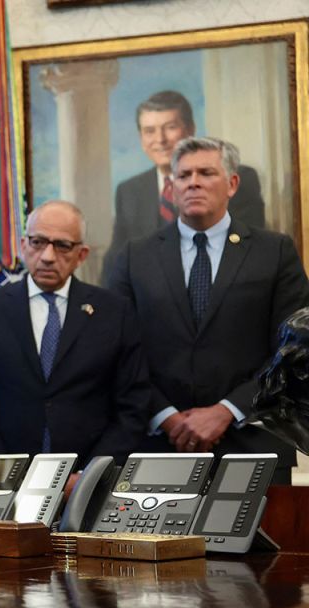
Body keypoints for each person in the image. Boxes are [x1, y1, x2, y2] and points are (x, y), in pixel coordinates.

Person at [106, 137, 309, 483]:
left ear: (232, 184)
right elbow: (117, 350)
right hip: (160, 446)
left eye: (206, 172)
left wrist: (227, 410)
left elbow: (294, 349)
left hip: (252, 444)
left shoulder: (273, 251)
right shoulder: (133, 257)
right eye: (183, 176)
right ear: (171, 188)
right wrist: (167, 416)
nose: (193, 182)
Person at [0, 200, 149, 469]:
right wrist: (2, 467)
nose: (48, 256)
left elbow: (133, 404)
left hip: (86, 481)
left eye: (62, 245)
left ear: (82, 254)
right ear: (23, 245)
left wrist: (89, 474)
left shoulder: (114, 312)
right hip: (4, 475)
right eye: (38, 242)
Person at [103, 91, 265, 284]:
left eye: (170, 127)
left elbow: (250, 252)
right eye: (149, 131)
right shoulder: (129, 190)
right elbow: (115, 260)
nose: (160, 139)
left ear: (190, 129)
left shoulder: (237, 178)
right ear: (141, 137)